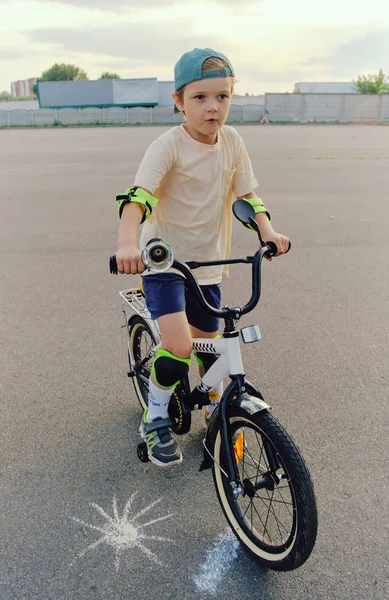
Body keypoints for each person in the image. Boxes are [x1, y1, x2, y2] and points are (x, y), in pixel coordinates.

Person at [115, 48, 289, 467]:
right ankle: (154, 413)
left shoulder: (232, 141)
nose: (212, 107)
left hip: (209, 263)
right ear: (179, 100)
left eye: (222, 96)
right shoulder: (167, 146)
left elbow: (247, 193)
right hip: (165, 264)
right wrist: (127, 243)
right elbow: (138, 198)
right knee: (177, 344)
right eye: (200, 97)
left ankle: (214, 406)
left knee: (210, 348)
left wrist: (267, 231)